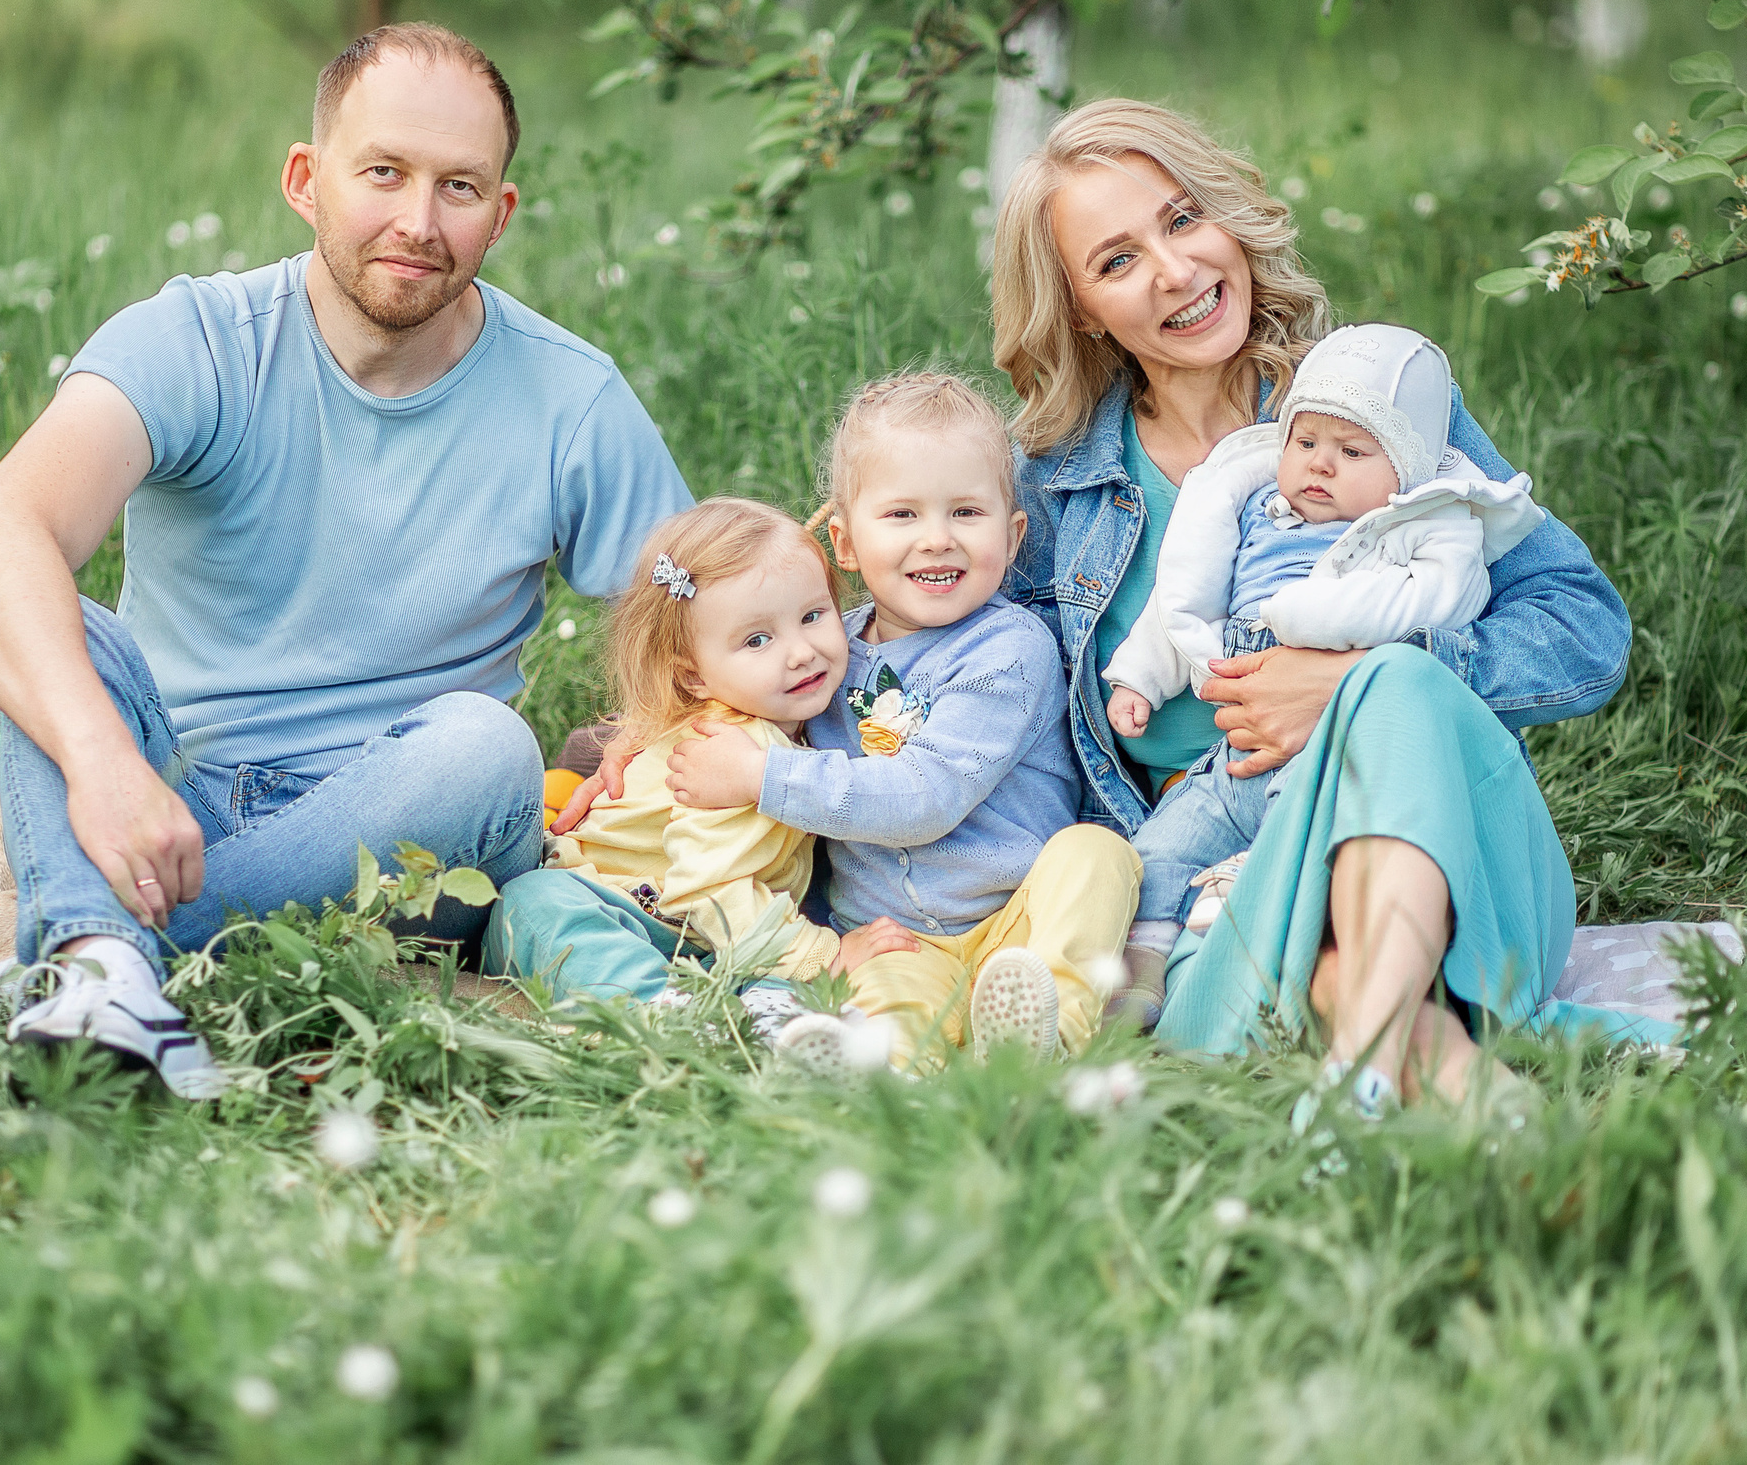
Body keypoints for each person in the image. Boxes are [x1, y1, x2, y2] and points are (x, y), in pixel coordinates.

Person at [0, 22, 692, 1097]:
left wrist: (648, 729)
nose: (418, 222)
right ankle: (106, 975)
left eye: (460, 188)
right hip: (171, 797)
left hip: (415, 837)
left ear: (502, 213)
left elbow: (700, 617)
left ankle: (78, 942)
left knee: (489, 746)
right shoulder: (199, 339)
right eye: (382, 173)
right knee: (65, 628)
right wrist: (106, 767)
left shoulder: (571, 399)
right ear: (307, 179)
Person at [991, 97, 1633, 1111]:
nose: (1173, 271)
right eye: (1114, 262)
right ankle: (1516, 1144)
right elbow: (974, 689)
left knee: (1393, 683)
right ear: (1078, 309)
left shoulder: (1372, 403)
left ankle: (1378, 1077)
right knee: (1341, 980)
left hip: (1445, 849)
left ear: (1228, 221)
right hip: (1210, 894)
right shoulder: (1052, 487)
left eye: (1181, 219)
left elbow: (1584, 630)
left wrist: (1356, 680)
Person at [663, 374, 1140, 1072]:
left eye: (966, 513)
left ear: (1012, 538)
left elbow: (924, 797)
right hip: (891, 937)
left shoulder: (1009, 651)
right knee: (889, 1008)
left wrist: (761, 774)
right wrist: (631, 744)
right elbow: (732, 693)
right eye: (902, 515)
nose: (937, 539)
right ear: (845, 543)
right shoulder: (823, 653)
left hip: (1016, 920)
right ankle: (891, 1076)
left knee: (1097, 855)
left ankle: (1046, 1036)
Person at [1100, 323, 1545, 965]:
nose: (1320, 464)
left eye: (1353, 452)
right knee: (1162, 847)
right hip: (1236, 756)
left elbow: (1439, 598)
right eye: (1304, 442)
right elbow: (1181, 606)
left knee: (1301, 825)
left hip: (1337, 755)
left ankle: (1261, 897)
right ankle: (1142, 968)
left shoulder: (1418, 529)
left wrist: (1312, 619)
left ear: (1405, 473)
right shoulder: (1253, 512)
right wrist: (1139, 677)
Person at [482, 499, 911, 1034]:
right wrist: (824, 954)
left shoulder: (791, 719)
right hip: (616, 907)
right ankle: (658, 1017)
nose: (800, 652)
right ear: (694, 679)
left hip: (710, 940)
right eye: (757, 640)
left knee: (766, 975)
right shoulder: (733, 748)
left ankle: (765, 1028)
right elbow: (708, 887)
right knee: (535, 903)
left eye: (811, 616)